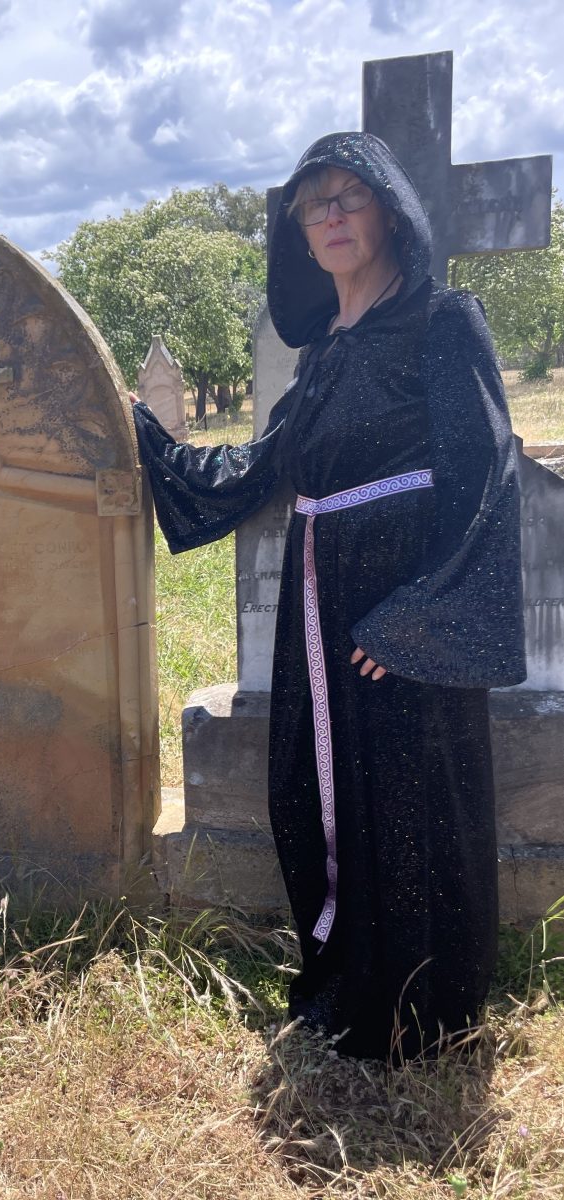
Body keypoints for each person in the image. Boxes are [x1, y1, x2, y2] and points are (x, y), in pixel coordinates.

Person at [134, 132, 525, 1060]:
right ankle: (348, 973)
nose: (335, 214)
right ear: (300, 234)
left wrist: (418, 618)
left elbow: (486, 476)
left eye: (352, 196)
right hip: (316, 602)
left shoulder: (439, 320)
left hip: (395, 610)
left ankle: (423, 1003)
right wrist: (143, 434)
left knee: (405, 794)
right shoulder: (321, 355)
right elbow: (253, 468)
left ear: (388, 211)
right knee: (322, 789)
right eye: (317, 204)